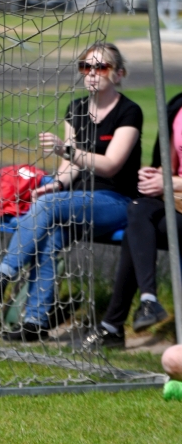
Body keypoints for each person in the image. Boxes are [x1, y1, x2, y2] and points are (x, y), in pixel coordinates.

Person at [0, 42, 142, 341]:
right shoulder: (76, 108)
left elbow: (111, 166)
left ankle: (1, 278)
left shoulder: (129, 112)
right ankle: (35, 324)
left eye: (101, 67)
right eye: (85, 67)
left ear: (118, 74)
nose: (91, 73)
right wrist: (58, 184)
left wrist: (67, 152)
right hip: (76, 200)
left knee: (49, 206)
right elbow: (70, 167)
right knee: (49, 234)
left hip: (115, 201)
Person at [83, 90, 182, 350]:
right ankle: (148, 300)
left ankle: (113, 326)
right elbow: (170, 167)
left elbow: (172, 180)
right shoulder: (178, 109)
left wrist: (169, 182)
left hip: (177, 199)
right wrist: (155, 175)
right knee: (138, 211)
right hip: (176, 202)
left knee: (135, 233)